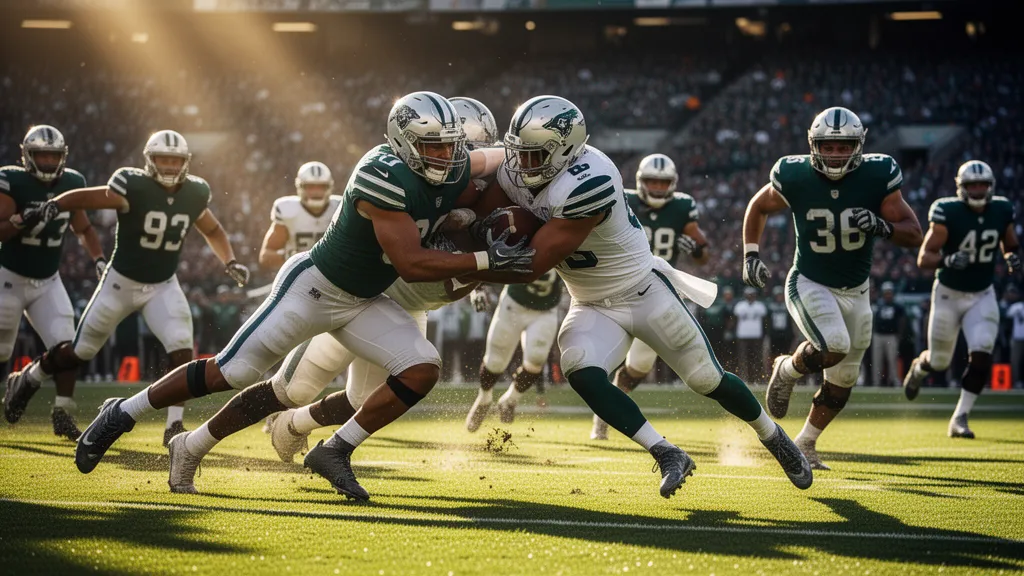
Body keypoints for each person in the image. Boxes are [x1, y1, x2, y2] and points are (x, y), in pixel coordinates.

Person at [65, 93, 527, 502]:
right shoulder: (381, 174)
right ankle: (124, 412)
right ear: (404, 144)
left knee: (422, 367)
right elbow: (410, 263)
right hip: (315, 287)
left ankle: (324, 451)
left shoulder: (449, 164)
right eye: (435, 147)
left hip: (365, 299)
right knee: (233, 369)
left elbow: (495, 159)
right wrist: (489, 261)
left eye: (452, 146)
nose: (448, 157)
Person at [473, 95, 811, 497]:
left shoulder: (589, 179)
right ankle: (667, 452)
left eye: (533, 155)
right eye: (518, 152)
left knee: (707, 379)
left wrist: (465, 263)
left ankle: (772, 436)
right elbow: (477, 180)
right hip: (591, 302)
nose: (520, 164)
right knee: (580, 367)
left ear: (564, 151)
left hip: (644, 291)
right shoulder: (521, 167)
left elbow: (534, 262)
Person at [5, 130, 250, 446]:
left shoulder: (194, 192)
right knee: (82, 349)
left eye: (175, 160)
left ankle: (174, 425)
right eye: (163, 159)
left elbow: (213, 229)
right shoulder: (132, 185)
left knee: (182, 348)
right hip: (120, 283)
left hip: (162, 284)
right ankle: (31, 376)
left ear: (186, 163)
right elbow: (90, 196)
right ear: (150, 160)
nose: (170, 166)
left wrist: (229, 261)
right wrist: (57, 203)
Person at [742, 106, 923, 469]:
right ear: (814, 145)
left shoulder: (878, 174)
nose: (836, 154)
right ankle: (788, 369)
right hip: (810, 281)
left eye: (844, 147)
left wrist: (881, 226)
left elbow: (914, 233)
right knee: (834, 345)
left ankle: (806, 443)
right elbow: (759, 206)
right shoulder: (794, 173)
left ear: (858, 146)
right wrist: (750, 254)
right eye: (829, 146)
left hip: (857, 290)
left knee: (844, 378)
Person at [589, 153, 711, 440]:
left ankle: (605, 410)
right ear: (641, 182)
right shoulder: (623, 198)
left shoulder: (683, 206)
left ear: (673, 184)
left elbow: (704, 253)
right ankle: (603, 412)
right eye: (652, 182)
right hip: (617, 287)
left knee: (639, 366)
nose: (657, 187)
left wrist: (694, 250)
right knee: (600, 355)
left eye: (663, 182)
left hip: (656, 293)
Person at [1, 125, 105, 439]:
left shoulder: (72, 182)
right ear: (27, 156)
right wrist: (20, 221)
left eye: (53, 155)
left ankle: (62, 412)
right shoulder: (11, 179)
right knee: (2, 352)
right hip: (9, 276)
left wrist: (99, 259)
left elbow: (84, 228)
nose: (47, 161)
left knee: (68, 347)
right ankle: (17, 385)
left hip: (47, 279)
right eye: (41, 155)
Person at [903, 160, 1019, 438]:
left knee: (981, 353)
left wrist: (1011, 255)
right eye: (972, 185)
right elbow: (924, 258)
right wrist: (948, 259)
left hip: (982, 293)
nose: (978, 191)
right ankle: (919, 367)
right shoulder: (948, 212)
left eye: (982, 185)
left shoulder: (1002, 209)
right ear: (961, 188)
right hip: (948, 293)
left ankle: (960, 417)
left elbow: (1010, 242)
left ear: (990, 187)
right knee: (940, 361)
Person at [871, 281, 904, 387]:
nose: (888, 295)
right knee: (877, 360)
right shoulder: (878, 304)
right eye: (886, 292)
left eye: (889, 292)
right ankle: (876, 382)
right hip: (878, 335)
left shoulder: (897, 306)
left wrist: (899, 334)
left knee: (892, 359)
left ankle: (894, 380)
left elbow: (902, 321)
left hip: (891, 335)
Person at [733, 287, 768, 383]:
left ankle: (757, 378)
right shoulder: (740, 306)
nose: (750, 296)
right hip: (743, 335)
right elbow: (735, 320)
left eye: (752, 294)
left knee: (756, 358)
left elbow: (765, 321)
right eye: (748, 294)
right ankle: (745, 378)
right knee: (744, 358)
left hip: (756, 335)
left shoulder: (760, 306)